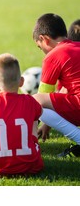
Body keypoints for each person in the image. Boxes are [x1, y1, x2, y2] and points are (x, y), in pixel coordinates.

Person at [32, 13, 80, 157]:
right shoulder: (76, 46)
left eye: (40, 47)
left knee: (34, 101)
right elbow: (63, 92)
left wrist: (43, 122)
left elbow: (42, 98)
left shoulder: (54, 55)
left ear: (44, 39)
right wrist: (48, 124)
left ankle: (30, 144)